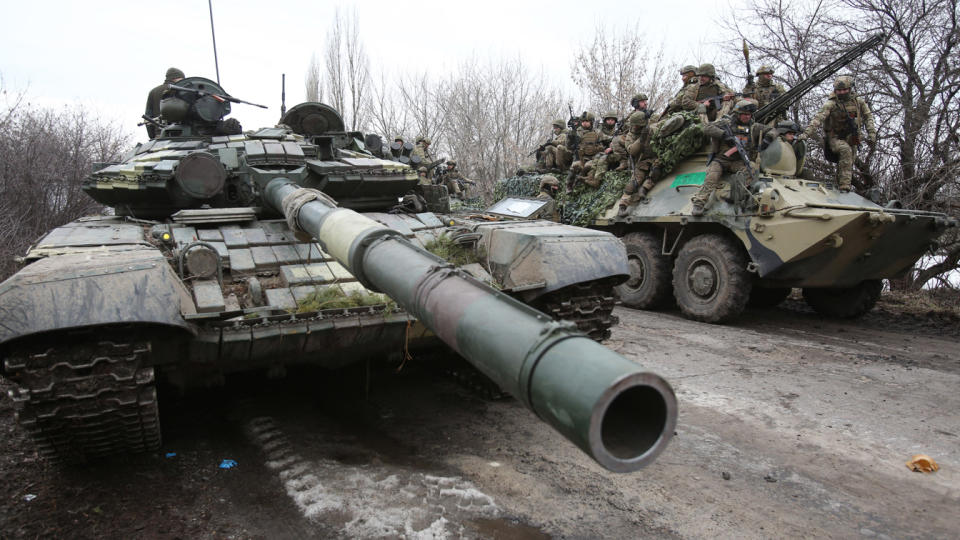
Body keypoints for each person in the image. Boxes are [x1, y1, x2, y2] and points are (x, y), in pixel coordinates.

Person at [691, 100, 768, 216]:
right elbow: (706, 128)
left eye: (749, 115)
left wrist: (769, 138)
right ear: (737, 114)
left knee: (752, 169)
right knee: (711, 177)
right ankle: (699, 202)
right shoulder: (725, 122)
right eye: (744, 114)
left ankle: (734, 195)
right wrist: (723, 135)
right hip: (721, 160)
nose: (747, 117)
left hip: (738, 161)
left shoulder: (753, 127)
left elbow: (772, 130)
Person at [801, 75, 876, 192]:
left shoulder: (858, 102)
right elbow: (818, 119)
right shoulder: (831, 104)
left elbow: (868, 117)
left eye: (844, 90)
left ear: (850, 89)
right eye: (839, 91)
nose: (841, 93)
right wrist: (806, 134)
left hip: (852, 137)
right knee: (845, 150)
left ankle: (840, 186)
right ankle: (845, 187)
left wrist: (872, 134)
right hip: (834, 137)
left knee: (848, 161)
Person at [617, 112, 660, 215]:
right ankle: (622, 206)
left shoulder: (651, 129)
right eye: (634, 125)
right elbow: (631, 150)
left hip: (654, 159)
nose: (635, 127)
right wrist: (641, 138)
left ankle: (644, 189)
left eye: (638, 125)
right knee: (634, 182)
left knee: (657, 170)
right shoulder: (630, 136)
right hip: (641, 161)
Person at [566, 112, 604, 190]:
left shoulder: (597, 132)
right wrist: (570, 138)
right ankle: (569, 186)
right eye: (583, 122)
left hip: (593, 157)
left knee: (588, 166)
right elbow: (568, 146)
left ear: (591, 122)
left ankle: (583, 179)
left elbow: (603, 144)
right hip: (580, 157)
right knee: (574, 167)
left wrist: (598, 148)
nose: (584, 123)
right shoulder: (577, 132)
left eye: (586, 121)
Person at [145, 67, 184, 139]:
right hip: (181, 135)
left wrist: (152, 136)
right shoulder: (182, 90)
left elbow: (148, 117)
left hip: (160, 136)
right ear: (177, 78)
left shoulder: (153, 91)